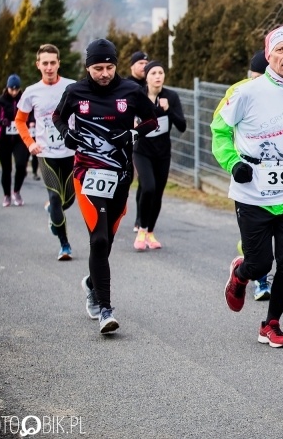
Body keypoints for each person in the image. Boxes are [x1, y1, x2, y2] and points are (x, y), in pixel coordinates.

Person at [212, 26, 283, 347]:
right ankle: (241, 274)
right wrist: (234, 164)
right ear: (268, 54)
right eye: (280, 50)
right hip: (251, 191)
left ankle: (271, 323)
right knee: (259, 264)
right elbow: (219, 131)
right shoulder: (245, 91)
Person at [53, 38, 158, 334]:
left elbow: (151, 121)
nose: (104, 73)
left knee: (107, 242)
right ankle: (105, 309)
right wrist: (67, 135)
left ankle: (91, 282)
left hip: (121, 176)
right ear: (88, 67)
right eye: (98, 68)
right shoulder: (75, 91)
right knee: (97, 240)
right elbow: (58, 116)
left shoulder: (131, 91)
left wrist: (133, 135)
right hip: (87, 174)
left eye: (109, 67)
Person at [214, 49, 274, 301]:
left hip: (280, 178)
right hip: (247, 176)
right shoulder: (238, 92)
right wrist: (234, 162)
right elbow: (220, 129)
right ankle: (260, 279)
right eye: (255, 77)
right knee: (258, 239)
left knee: (275, 235)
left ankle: (257, 268)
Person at [14, 44, 77, 261]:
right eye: (45, 63)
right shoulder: (31, 92)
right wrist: (30, 143)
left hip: (70, 153)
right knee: (55, 197)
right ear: (38, 65)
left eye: (53, 63)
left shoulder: (72, 87)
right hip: (46, 154)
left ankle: (52, 210)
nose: (49, 67)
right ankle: (65, 244)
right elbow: (20, 120)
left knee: (68, 200)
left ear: (59, 63)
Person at [132, 60, 186, 251]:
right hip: (142, 151)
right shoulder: (138, 96)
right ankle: (141, 229)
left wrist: (168, 110)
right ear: (146, 77)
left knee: (158, 193)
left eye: (160, 73)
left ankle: (150, 232)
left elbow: (182, 126)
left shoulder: (170, 96)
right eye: (153, 73)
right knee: (148, 188)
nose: (157, 76)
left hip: (162, 153)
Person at [0, 74, 29, 207]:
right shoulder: (0, 101)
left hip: (20, 138)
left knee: (21, 165)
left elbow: (31, 114)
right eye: (11, 89)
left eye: (16, 89)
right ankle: (7, 195)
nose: (14, 92)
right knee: (6, 169)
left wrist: (32, 122)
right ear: (7, 88)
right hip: (3, 139)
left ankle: (16, 191)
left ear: (19, 88)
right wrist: (2, 121)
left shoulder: (24, 99)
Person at [129, 51, 149, 232]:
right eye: (140, 63)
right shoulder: (127, 85)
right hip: (128, 138)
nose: (144, 66)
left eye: (146, 63)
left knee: (144, 181)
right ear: (132, 66)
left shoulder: (149, 83)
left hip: (146, 140)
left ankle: (139, 218)